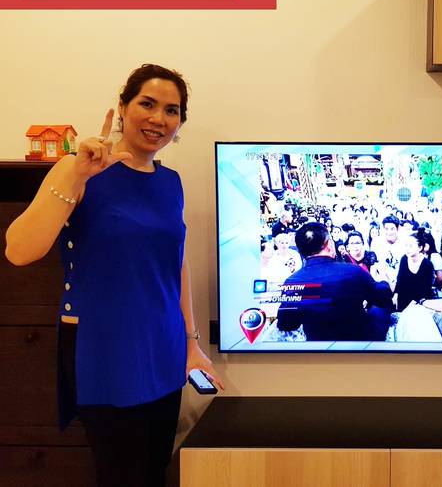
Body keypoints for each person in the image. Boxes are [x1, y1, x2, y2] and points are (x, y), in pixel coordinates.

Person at [4, 64, 225, 487]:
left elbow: (175, 264)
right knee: (121, 473)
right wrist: (77, 173)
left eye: (172, 110)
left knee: (154, 470)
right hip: (104, 346)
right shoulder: (78, 169)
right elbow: (19, 250)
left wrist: (191, 343)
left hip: (162, 344)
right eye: (147, 104)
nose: (159, 118)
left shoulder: (171, 182)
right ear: (122, 106)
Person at [276, 222, 391, 341]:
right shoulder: (353, 271)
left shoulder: (292, 282)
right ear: (329, 244)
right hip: (358, 343)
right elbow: (382, 299)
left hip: (318, 346)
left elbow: (287, 324)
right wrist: (384, 280)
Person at [393, 232, 434, 312]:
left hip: (419, 304)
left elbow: (425, 291)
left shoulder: (427, 265)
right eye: (406, 245)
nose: (407, 248)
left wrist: (410, 307)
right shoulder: (404, 259)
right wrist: (396, 294)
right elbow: (399, 280)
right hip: (402, 300)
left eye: (411, 246)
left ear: (420, 248)